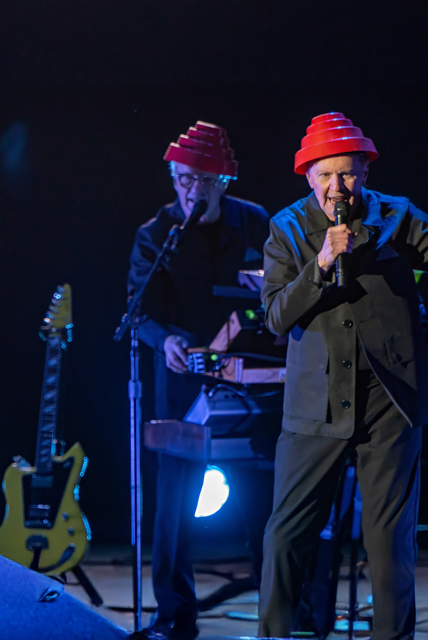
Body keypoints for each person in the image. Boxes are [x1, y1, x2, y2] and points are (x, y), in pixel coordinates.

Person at [258, 112, 428, 639]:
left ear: (365, 172)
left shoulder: (398, 214)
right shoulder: (286, 228)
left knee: (390, 547)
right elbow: (276, 316)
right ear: (308, 177)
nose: (337, 187)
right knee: (285, 538)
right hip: (317, 404)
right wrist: (321, 263)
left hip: (391, 402)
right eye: (325, 175)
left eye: (347, 173)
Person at [127, 122, 272, 640]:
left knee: (266, 502)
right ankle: (174, 618)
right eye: (184, 179)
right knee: (174, 508)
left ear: (223, 182)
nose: (192, 190)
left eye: (204, 180)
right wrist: (164, 340)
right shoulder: (156, 233)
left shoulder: (255, 222)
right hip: (184, 387)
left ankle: (281, 613)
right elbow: (138, 313)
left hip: (252, 382)